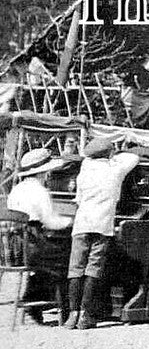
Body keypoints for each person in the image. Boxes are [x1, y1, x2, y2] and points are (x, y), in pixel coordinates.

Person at [64, 134, 139, 329]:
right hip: (102, 225)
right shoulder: (116, 170)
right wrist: (116, 155)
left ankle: (72, 314)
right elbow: (133, 158)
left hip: (81, 224)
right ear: (110, 153)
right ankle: (86, 315)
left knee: (75, 269)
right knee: (93, 269)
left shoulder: (84, 170)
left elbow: (78, 199)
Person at [6, 148, 72, 324]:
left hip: (15, 247)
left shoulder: (17, 189)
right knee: (67, 260)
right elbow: (51, 222)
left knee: (49, 262)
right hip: (31, 245)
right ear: (44, 172)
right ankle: (66, 312)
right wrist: (71, 222)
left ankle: (32, 303)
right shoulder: (40, 191)